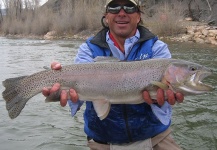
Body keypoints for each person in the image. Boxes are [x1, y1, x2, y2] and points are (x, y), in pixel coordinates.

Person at [42, 0, 184, 149]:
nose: (121, 13)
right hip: (103, 143)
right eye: (114, 7)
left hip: (156, 138)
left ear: (138, 16)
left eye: (129, 8)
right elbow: (76, 88)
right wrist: (58, 88)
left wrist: (160, 98)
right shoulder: (88, 49)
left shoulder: (157, 47)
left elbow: (166, 90)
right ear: (106, 15)